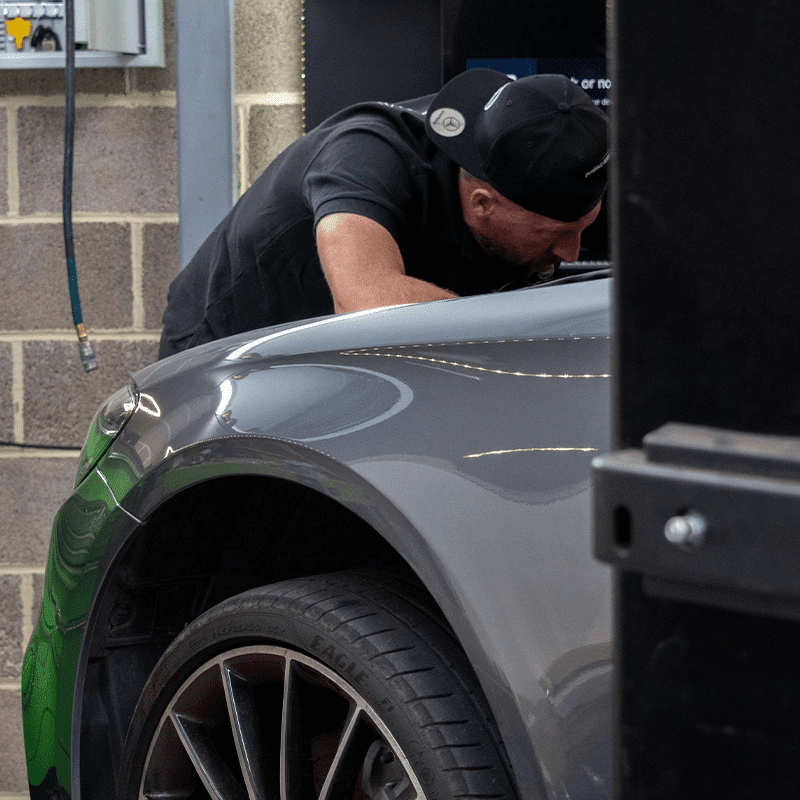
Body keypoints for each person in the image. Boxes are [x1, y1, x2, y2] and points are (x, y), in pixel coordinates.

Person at [159, 68, 608, 358]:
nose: (570, 252)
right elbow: (363, 300)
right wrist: (530, 338)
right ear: (482, 203)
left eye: (584, 226)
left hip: (334, 356)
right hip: (225, 358)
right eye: (553, 234)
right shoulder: (364, 156)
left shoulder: (533, 153)